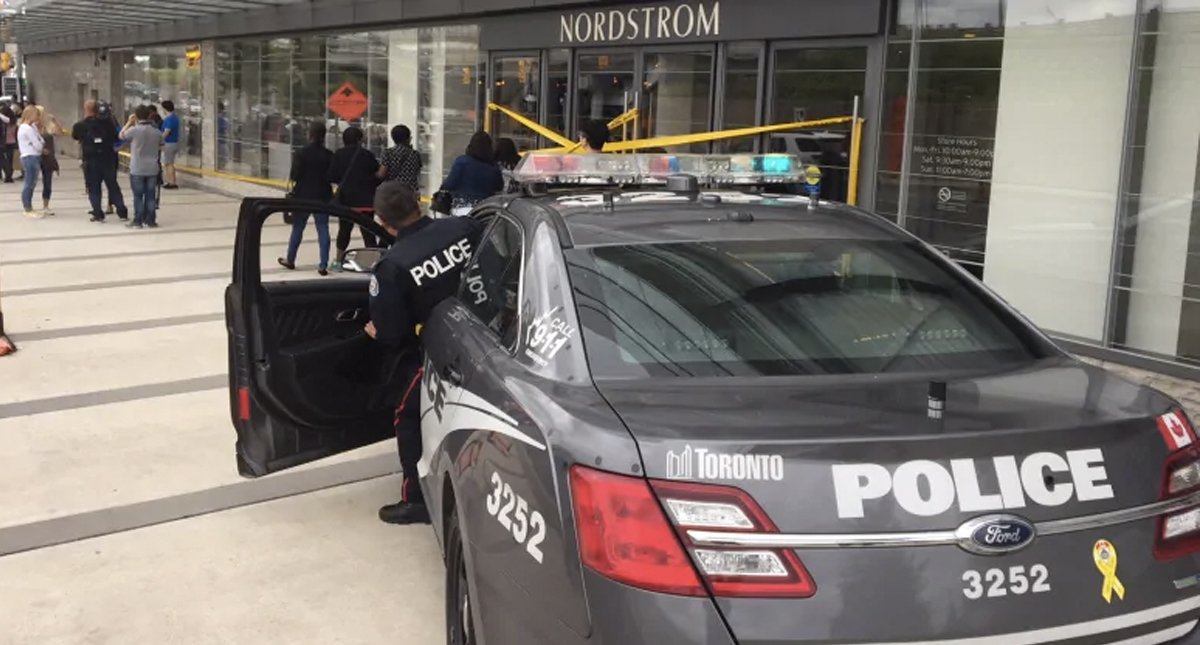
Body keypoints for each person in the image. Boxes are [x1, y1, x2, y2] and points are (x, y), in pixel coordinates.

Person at [366, 181, 485, 525]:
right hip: (492, 335)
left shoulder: (392, 266)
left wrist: (376, 331)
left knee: (406, 416)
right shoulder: (463, 227)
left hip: (440, 350)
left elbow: (393, 333)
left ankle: (416, 499)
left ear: (382, 221)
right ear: (418, 202)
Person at [279, 122, 334, 276]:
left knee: (298, 228)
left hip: (302, 195)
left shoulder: (301, 153)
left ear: (309, 134)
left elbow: (294, 175)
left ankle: (290, 259)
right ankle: (323, 265)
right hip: (322, 195)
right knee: (323, 229)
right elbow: (333, 176)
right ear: (324, 136)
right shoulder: (328, 154)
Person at [327, 126, 380, 271]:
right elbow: (377, 175)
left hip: (346, 201)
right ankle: (372, 264)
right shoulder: (367, 155)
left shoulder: (338, 155)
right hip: (366, 201)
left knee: (344, 231)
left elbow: (332, 176)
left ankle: (338, 261)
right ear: (359, 139)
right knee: (368, 232)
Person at [73, 100, 128, 223]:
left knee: (93, 188)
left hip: (91, 159)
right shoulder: (109, 124)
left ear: (86, 109)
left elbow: (76, 137)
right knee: (112, 185)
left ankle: (98, 212)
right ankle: (122, 211)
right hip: (108, 159)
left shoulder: (80, 125)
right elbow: (116, 138)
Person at [438, 131, 503, 215]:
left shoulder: (462, 162)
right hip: (484, 210)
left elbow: (450, 184)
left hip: (461, 207)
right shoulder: (493, 167)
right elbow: (498, 187)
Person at [119, 105, 163, 229]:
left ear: (136, 116)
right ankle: (151, 220)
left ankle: (138, 221)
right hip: (152, 168)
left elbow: (121, 135)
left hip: (137, 168)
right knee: (150, 195)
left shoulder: (134, 130)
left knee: (138, 196)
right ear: (149, 115)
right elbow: (162, 146)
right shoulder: (156, 131)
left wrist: (129, 122)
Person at [16, 106, 45, 219]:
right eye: (37, 114)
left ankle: (30, 206)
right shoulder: (25, 128)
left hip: (35, 156)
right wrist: (39, 145)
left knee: (32, 183)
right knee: (29, 183)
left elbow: (41, 140)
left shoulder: (32, 127)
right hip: (29, 157)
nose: (38, 117)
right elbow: (38, 145)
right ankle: (27, 207)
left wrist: (39, 144)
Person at [376, 124, 421, 192]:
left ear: (393, 138)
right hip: (410, 192)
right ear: (408, 137)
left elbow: (381, 174)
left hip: (394, 192)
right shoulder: (415, 154)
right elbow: (417, 172)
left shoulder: (388, 153)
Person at [37, 106, 62, 217]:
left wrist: (55, 121)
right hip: (35, 156)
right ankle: (28, 205)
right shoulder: (30, 126)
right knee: (31, 182)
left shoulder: (48, 126)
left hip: (48, 158)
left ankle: (45, 205)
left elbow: (59, 133)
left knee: (47, 182)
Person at [160, 100, 180, 189]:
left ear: (165, 109)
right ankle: (170, 181)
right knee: (168, 163)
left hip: (169, 143)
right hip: (173, 143)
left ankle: (172, 182)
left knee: (169, 163)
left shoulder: (169, 119)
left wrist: (159, 140)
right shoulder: (175, 118)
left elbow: (166, 132)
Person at [0, 101, 17, 183]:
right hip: (12, 142)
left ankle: (8, 175)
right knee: (9, 160)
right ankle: (9, 176)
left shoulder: (4, 122)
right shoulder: (13, 121)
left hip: (4, 142)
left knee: (3, 160)